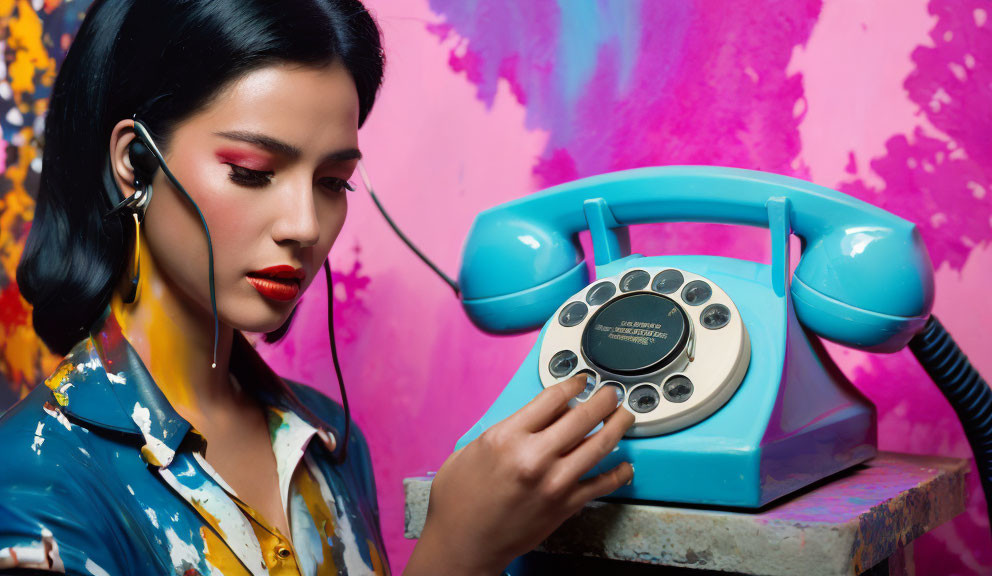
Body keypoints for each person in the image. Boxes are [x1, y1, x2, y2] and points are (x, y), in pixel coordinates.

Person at [0, 1, 635, 574]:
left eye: (332, 182)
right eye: (253, 172)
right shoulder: (35, 480)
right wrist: (455, 552)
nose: (304, 227)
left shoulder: (327, 438)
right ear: (134, 163)